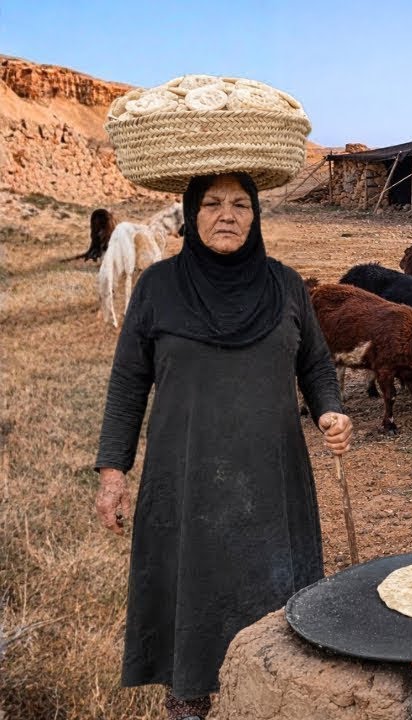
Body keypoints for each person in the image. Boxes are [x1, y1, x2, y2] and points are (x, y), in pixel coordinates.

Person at [93, 173, 353, 720]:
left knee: (276, 604)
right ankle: (188, 698)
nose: (226, 215)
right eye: (211, 204)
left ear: (257, 216)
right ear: (192, 215)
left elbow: (316, 364)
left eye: (240, 204)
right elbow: (127, 382)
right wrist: (113, 470)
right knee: (193, 592)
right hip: (185, 475)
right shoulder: (158, 288)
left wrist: (330, 407)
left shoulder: (284, 286)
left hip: (272, 476)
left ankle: (270, 700)